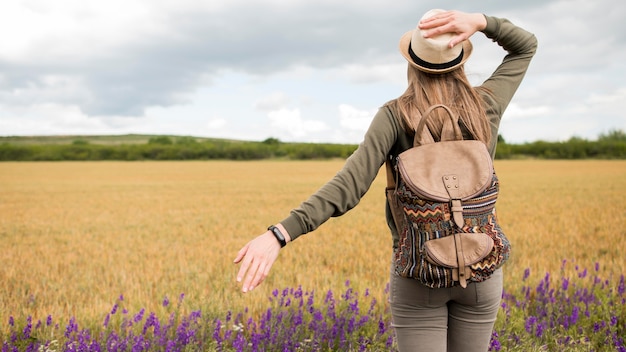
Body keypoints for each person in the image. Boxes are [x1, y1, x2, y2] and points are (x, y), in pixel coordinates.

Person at [234, 8, 537, 352]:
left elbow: (349, 184)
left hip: (418, 275)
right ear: (460, 59)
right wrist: (481, 23)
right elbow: (525, 46)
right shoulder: (485, 105)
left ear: (411, 62)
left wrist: (279, 234)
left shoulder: (394, 116)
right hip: (481, 269)